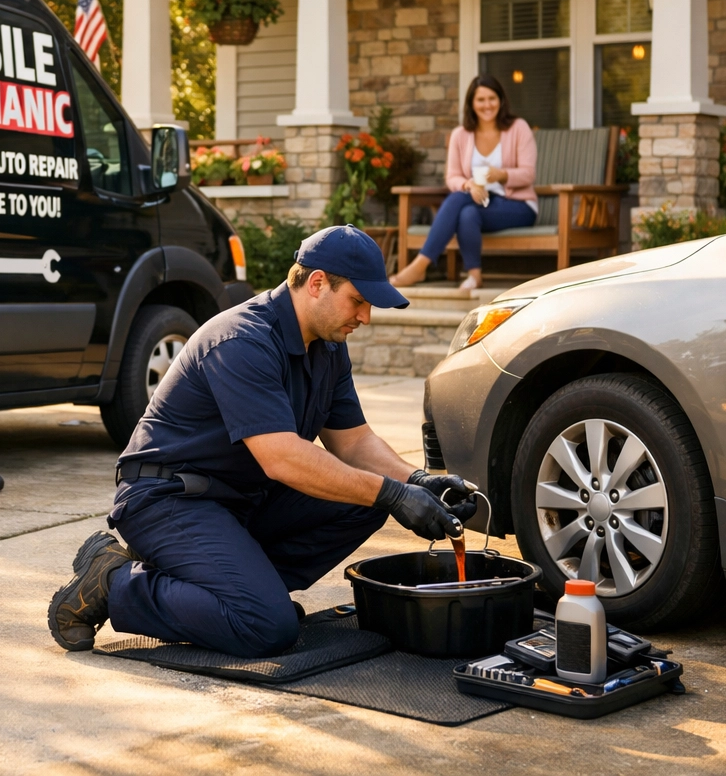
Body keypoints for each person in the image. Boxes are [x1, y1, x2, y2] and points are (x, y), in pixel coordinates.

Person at [47, 225, 477, 658]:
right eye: (359, 301)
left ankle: (242, 591)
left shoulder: (328, 347)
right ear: (316, 284)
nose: (365, 317)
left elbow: (355, 442)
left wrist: (419, 482)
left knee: (368, 499)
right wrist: (393, 493)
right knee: (267, 628)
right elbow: (282, 459)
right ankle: (114, 581)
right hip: (167, 499)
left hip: (240, 500)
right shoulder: (242, 340)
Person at [392, 75, 538, 291]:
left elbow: (528, 174)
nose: (487, 105)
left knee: (459, 201)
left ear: (501, 100)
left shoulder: (518, 128)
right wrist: (469, 185)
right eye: (480, 100)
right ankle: (475, 276)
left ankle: (420, 265)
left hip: (517, 205)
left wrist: (501, 175)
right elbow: (452, 177)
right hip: (479, 201)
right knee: (466, 211)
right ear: (471, 103)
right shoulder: (461, 134)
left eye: (492, 98)